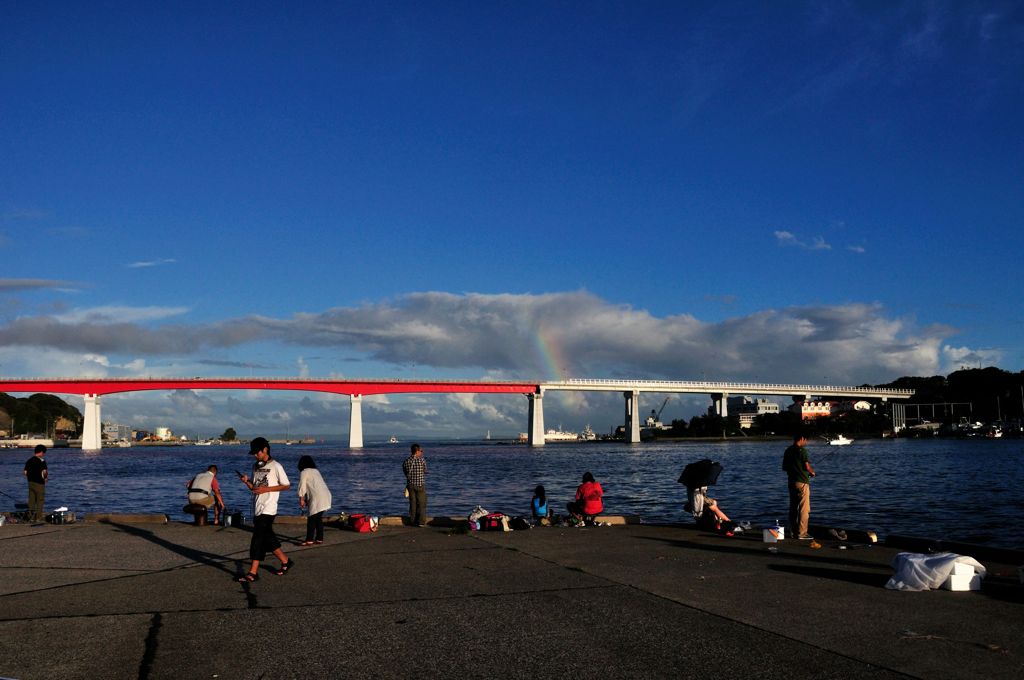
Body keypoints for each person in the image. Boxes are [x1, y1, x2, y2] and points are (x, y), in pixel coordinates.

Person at [236, 437, 294, 582]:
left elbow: (286, 485)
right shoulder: (255, 466)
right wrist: (246, 482)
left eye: (258, 453)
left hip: (269, 507)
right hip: (257, 507)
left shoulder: (276, 466)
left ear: (265, 449)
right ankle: (286, 561)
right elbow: (254, 488)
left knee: (258, 538)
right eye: (254, 454)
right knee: (267, 538)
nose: (256, 456)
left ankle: (253, 572)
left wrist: (267, 489)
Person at [782, 433, 816, 540]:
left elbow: (785, 467)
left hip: (791, 482)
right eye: (805, 440)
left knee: (793, 508)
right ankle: (802, 534)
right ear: (802, 438)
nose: (806, 442)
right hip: (802, 483)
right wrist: (812, 472)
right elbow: (807, 466)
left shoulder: (788, 450)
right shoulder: (802, 451)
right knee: (804, 509)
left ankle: (793, 532)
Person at [297, 455, 332, 545]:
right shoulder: (316, 471)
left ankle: (309, 539)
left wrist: (301, 499)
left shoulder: (304, 472)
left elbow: (302, 486)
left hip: (317, 497)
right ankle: (319, 538)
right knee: (318, 519)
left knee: (311, 519)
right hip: (326, 495)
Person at [402, 443, 427, 526]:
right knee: (422, 503)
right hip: (420, 485)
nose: (421, 452)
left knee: (412, 503)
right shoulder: (422, 460)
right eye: (421, 451)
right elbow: (425, 471)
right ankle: (421, 522)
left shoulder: (406, 461)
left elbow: (405, 472)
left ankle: (412, 521)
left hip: (410, 485)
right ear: (417, 451)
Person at [23, 445, 48, 522]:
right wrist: (46, 479)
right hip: (39, 483)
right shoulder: (42, 461)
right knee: (40, 501)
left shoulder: (29, 460)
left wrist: (31, 477)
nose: (43, 454)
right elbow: (44, 472)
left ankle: (31, 517)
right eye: (43, 452)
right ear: (41, 452)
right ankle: (38, 518)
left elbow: (25, 472)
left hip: (30, 483)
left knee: (31, 501)